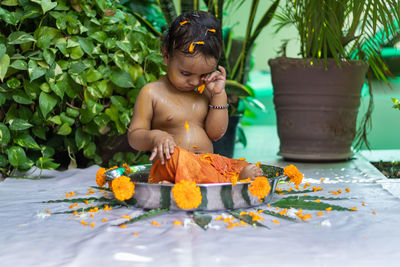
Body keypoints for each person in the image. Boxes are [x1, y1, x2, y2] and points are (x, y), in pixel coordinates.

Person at [127, 11, 263, 184]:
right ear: (166, 55)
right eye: (185, 73)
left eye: (203, 74)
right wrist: (155, 137)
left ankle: (216, 177)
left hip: (206, 165)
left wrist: (218, 95)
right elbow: (135, 137)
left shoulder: (205, 91)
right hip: (172, 165)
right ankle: (221, 181)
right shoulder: (152, 93)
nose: (193, 81)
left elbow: (216, 134)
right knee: (175, 157)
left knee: (239, 164)